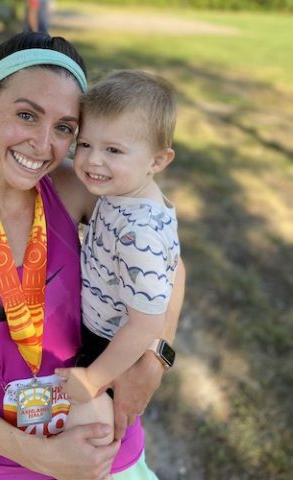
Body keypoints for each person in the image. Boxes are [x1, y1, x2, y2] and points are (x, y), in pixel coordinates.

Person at [0, 32, 185, 480]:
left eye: (65, 128)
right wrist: (36, 455)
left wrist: (155, 358)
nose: (44, 145)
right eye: (27, 115)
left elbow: (169, 266)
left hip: (103, 450)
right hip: (1, 461)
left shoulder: (78, 186)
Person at [56, 70, 180, 457]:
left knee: (93, 436)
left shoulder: (139, 233)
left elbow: (146, 324)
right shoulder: (121, 191)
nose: (92, 160)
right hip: (102, 332)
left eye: (113, 150)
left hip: (110, 347)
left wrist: (94, 378)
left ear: (158, 160)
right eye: (86, 144)